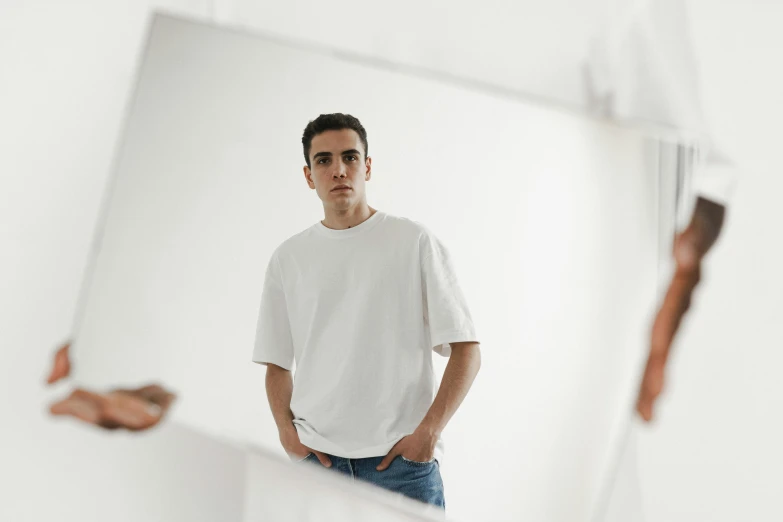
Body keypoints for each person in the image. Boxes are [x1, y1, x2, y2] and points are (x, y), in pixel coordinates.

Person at [252, 113, 482, 509]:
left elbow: (467, 349)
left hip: (402, 467)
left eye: (350, 157)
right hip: (317, 465)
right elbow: (276, 363)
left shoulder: (413, 242)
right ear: (309, 176)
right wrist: (288, 437)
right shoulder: (289, 258)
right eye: (324, 160)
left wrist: (428, 434)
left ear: (367, 166)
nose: (338, 169)